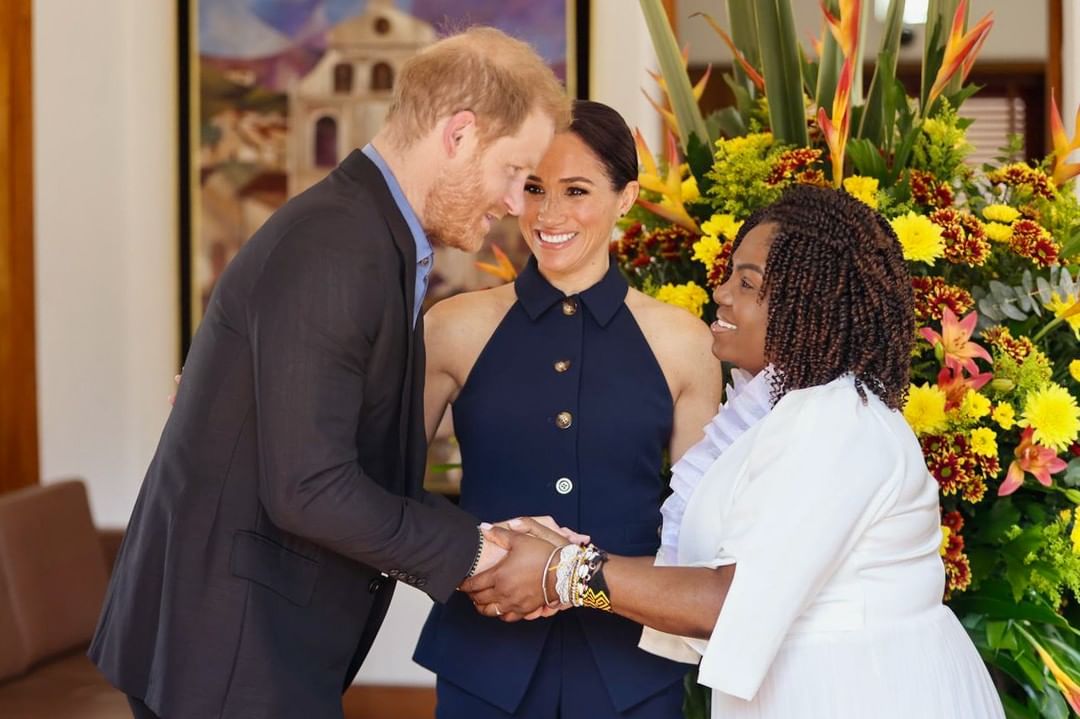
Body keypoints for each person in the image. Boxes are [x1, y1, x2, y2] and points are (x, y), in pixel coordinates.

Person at [89, 27, 570, 719]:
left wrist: (484, 533)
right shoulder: (337, 248)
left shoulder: (368, 235)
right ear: (459, 135)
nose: (515, 205)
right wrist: (474, 550)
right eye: (515, 175)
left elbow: (333, 457)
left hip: (240, 640)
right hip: (227, 652)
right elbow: (309, 487)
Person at [464, 185, 1006, 718]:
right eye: (729, 276)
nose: (721, 293)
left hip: (860, 693)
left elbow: (726, 602)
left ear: (806, 303)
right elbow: (711, 574)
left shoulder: (834, 422)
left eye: (748, 284)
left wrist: (563, 571)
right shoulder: (786, 412)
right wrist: (559, 562)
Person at [413, 100, 724, 718]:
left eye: (575, 190)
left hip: (630, 668)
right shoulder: (451, 327)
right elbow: (381, 484)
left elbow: (696, 533)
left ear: (627, 197)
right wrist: (481, 555)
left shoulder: (685, 342)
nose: (548, 214)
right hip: (483, 654)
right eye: (532, 188)